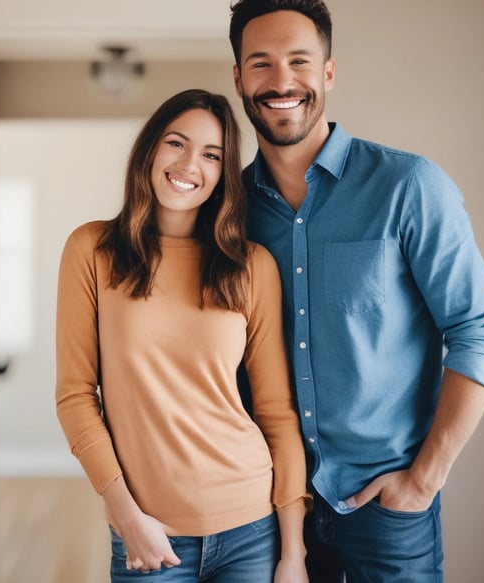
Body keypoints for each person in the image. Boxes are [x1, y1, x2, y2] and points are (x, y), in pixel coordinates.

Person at [228, 1, 484, 581]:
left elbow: (480, 336)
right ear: (238, 78)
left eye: (299, 61)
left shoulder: (408, 187)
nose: (281, 81)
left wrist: (425, 478)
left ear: (328, 72)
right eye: (261, 63)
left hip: (387, 510)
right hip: (265, 510)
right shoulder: (226, 213)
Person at [55, 88, 310, 582]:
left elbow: (277, 413)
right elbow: (75, 396)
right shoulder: (92, 250)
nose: (190, 163)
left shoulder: (251, 266)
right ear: (150, 150)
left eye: (212, 155)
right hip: (149, 532)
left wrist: (293, 553)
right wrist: (126, 516)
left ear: (222, 173)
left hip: (251, 528)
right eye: (176, 143)